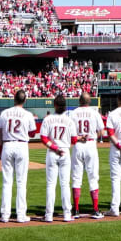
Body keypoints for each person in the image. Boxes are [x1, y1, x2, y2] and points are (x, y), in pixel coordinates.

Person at [0, 89, 36, 223]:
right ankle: (20, 214)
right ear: (24, 100)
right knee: (21, 182)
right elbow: (32, 133)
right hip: (21, 145)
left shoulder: (4, 113)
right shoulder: (28, 114)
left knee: (7, 182)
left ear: (14, 99)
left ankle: (5, 215)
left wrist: (0, 151)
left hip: (7, 145)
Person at [40, 93, 76, 222]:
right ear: (65, 107)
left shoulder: (48, 119)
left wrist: (54, 147)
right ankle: (67, 214)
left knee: (51, 184)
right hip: (65, 151)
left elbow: (43, 138)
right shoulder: (69, 120)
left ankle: (49, 215)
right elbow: (74, 139)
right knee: (65, 184)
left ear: (55, 105)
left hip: (52, 151)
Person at [70, 92, 106, 219]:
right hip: (90, 144)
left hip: (78, 145)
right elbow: (101, 131)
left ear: (79, 101)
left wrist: (80, 136)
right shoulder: (94, 112)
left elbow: (70, 134)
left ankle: (76, 210)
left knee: (76, 178)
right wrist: (92, 134)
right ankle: (95, 209)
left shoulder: (73, 113)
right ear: (89, 101)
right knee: (93, 177)